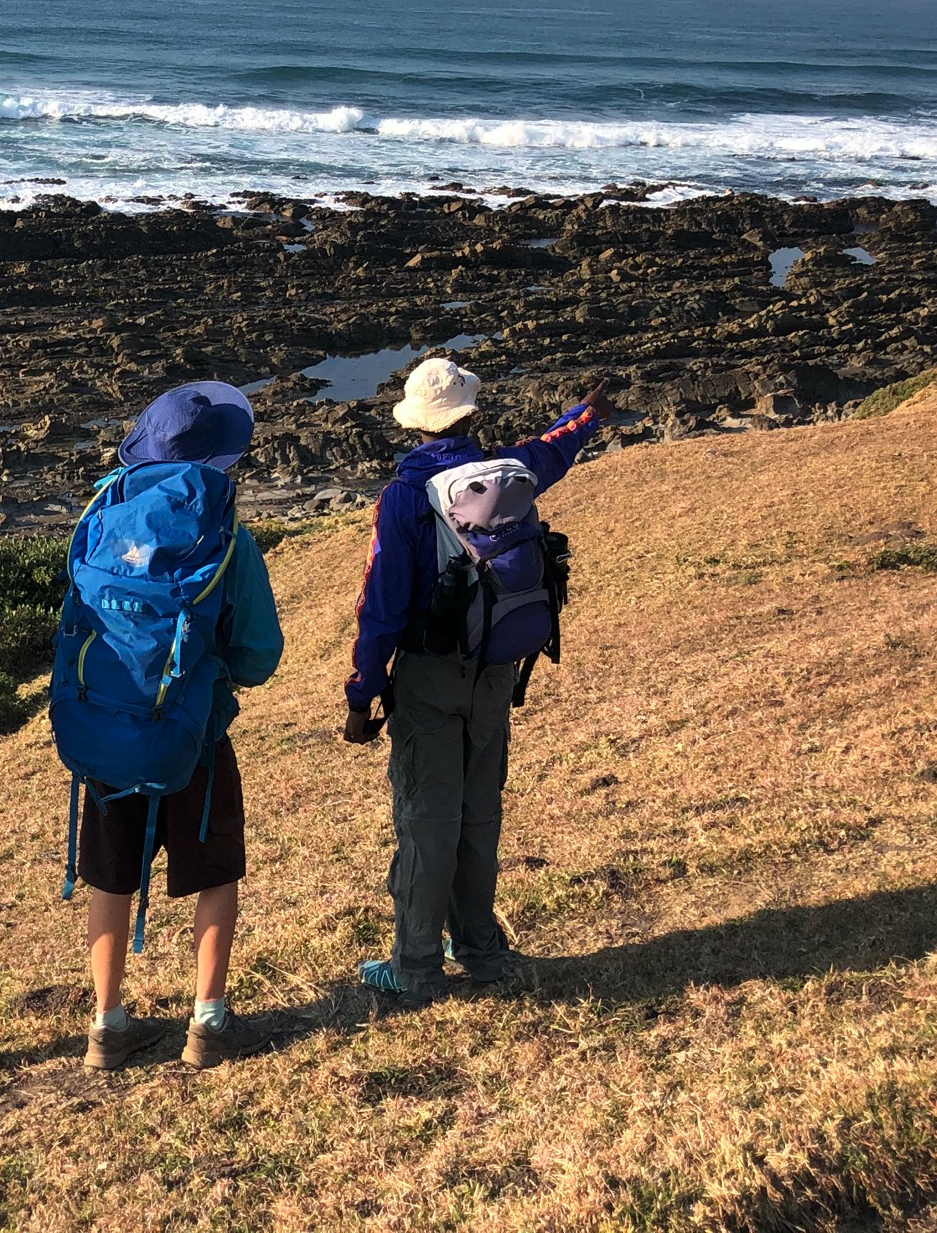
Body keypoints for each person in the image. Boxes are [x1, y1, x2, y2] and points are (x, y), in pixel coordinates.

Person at [341, 358, 611, 1004]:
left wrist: (362, 693)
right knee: (478, 816)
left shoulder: (406, 497)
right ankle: (482, 951)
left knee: (426, 819)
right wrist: (586, 413)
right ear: (470, 416)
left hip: (429, 676)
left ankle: (415, 967)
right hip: (494, 670)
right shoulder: (510, 473)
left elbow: (381, 606)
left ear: (417, 425)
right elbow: (554, 449)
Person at [72, 382, 283, 1072]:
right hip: (197, 737)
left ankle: (106, 1026)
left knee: (111, 879)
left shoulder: (100, 519)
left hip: (106, 733)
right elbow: (259, 657)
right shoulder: (228, 540)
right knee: (215, 871)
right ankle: (208, 1022)